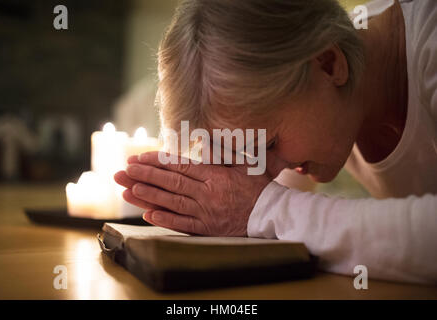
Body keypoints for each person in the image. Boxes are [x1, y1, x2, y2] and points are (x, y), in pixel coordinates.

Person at [115, 0, 437, 284]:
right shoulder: (324, 100)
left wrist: (269, 209)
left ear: (328, 64)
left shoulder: (430, 38)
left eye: (268, 143)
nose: (266, 171)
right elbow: (270, 215)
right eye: (247, 149)